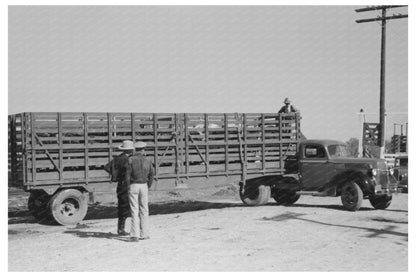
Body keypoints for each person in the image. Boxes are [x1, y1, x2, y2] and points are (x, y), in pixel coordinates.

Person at [125, 141, 154, 242]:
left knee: (134, 210)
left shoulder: (130, 160)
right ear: (143, 149)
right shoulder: (148, 160)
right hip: (144, 185)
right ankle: (144, 234)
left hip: (134, 185)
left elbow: (127, 175)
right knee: (144, 209)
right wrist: (148, 185)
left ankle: (135, 235)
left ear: (135, 149)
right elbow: (152, 174)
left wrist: (128, 186)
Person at [104, 140, 134, 236]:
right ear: (130, 150)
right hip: (128, 184)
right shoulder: (128, 160)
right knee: (128, 206)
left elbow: (106, 167)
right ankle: (122, 229)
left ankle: (120, 228)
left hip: (120, 185)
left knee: (122, 205)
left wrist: (115, 176)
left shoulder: (118, 158)